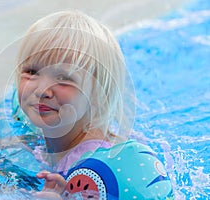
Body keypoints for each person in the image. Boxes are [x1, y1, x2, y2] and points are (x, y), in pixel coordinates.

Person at [12, 10, 174, 199]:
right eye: (32, 71)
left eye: (63, 78)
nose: (42, 90)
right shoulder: (39, 134)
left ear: (99, 97)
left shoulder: (100, 170)